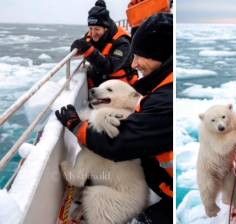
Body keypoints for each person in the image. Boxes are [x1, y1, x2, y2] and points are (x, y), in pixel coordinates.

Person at [56, 13, 173, 223]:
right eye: (90, 29)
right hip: (153, 183)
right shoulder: (159, 87)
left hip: (168, 190)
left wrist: (76, 127)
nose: (134, 64)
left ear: (159, 55)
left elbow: (118, 144)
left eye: (139, 56)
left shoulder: (164, 101)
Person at [71, 0, 138, 88]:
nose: (92, 33)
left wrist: (88, 50)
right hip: (101, 86)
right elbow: (75, 51)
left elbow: (109, 68)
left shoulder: (122, 43)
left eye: (97, 29)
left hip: (121, 89)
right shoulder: (91, 35)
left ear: (106, 28)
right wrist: (76, 45)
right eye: (90, 28)